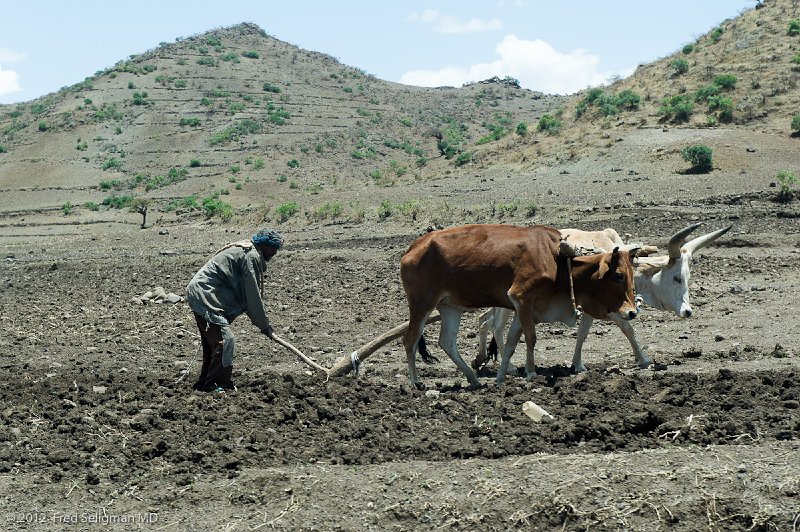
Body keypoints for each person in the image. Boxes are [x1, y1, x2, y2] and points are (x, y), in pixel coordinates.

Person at [186, 228, 284, 392]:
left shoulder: (247, 251)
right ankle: (216, 385)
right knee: (225, 341)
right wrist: (264, 325)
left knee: (213, 345)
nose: (275, 252)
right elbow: (252, 295)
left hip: (202, 293)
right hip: (205, 296)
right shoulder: (250, 256)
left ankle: (205, 383)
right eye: (273, 248)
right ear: (264, 245)